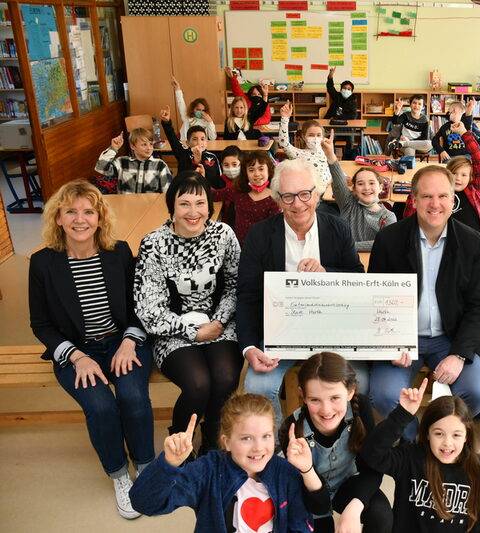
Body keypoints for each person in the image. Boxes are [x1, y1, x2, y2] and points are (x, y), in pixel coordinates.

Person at [29, 181, 155, 520]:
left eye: (88, 211)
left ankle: (145, 465)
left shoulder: (120, 252)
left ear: (100, 218)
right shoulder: (42, 263)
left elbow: (141, 306)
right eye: (70, 211)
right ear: (57, 218)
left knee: (132, 397)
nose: (80, 219)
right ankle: (119, 475)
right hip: (75, 351)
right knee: (100, 406)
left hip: (122, 341)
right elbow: (40, 324)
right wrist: (76, 356)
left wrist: (130, 341)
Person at [236, 158, 365, 427]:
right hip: (280, 334)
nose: (298, 203)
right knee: (257, 385)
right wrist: (249, 348)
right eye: (288, 196)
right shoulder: (259, 235)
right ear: (277, 199)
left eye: (305, 194)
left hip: (332, 332)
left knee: (362, 383)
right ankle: (280, 447)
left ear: (317, 194)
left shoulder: (338, 228)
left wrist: (326, 274)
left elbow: (356, 280)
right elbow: (247, 295)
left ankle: (340, 452)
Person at [368, 166, 480, 441]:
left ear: (453, 199)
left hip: (450, 339)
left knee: (478, 392)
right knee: (384, 395)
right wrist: (390, 344)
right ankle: (417, 443)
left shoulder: (470, 241)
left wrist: (459, 355)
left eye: (443, 196)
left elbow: (478, 304)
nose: (435, 204)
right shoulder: (389, 239)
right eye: (426, 197)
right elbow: (375, 300)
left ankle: (440, 437)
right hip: (402, 340)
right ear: (414, 199)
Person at [134, 172, 242, 455]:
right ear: (172, 206)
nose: (193, 212)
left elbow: (236, 285)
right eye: (184, 204)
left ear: (210, 206)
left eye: (200, 203)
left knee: (226, 376)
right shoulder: (154, 243)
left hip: (221, 322)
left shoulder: (223, 235)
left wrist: (217, 321)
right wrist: (191, 331)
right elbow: (148, 308)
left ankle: (213, 441)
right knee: (198, 384)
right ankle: (180, 447)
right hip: (172, 330)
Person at [130, 393, 328, 532]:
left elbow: (301, 524)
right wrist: (168, 465)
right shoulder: (207, 470)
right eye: (246, 438)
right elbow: (144, 503)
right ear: (227, 442)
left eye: (266, 436)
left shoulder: (285, 473)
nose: (259, 447)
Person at [361, 380, 480, 533]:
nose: (447, 443)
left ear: (467, 436)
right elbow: (372, 454)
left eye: (456, 435)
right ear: (427, 433)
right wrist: (401, 415)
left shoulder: (476, 464)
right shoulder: (410, 457)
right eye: (439, 433)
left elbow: (478, 514)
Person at [279, 352, 393, 533]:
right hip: (311, 495)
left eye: (334, 398)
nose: (326, 410)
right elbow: (318, 506)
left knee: (380, 514)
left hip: (347, 484)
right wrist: (307, 469)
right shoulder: (291, 430)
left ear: (350, 392)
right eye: (315, 400)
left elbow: (373, 467)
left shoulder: (360, 408)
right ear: (303, 395)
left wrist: (353, 510)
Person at [405, 123, 480, 247]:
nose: (458, 178)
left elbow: (479, 161)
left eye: (464, 175)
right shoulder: (438, 193)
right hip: (447, 247)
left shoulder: (474, 190)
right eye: (454, 173)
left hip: (477, 245)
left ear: (471, 178)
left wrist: (464, 134)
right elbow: (412, 216)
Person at [321, 132, 396, 251]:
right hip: (347, 263)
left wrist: (348, 246)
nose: (366, 188)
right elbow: (338, 180)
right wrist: (330, 154)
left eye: (372, 183)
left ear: (381, 187)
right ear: (354, 189)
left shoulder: (388, 217)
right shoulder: (348, 204)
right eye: (360, 184)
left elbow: (386, 243)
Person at [211, 149, 281, 244]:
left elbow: (274, 230)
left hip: (263, 247)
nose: (257, 174)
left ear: (269, 170)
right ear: (245, 173)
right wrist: (201, 178)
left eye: (261, 169)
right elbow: (215, 195)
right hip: (239, 244)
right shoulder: (237, 190)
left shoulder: (275, 198)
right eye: (251, 170)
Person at [160, 106, 223, 189]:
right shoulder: (183, 153)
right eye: (195, 139)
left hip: (208, 193)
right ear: (187, 143)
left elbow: (218, 179)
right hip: (185, 191)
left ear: (207, 142)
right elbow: (173, 139)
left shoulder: (212, 157)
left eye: (202, 139)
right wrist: (167, 123)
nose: (199, 142)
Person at [95, 129, 172, 193]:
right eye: (144, 144)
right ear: (132, 146)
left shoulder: (160, 165)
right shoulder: (122, 162)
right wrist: (114, 148)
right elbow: (100, 167)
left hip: (151, 207)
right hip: (126, 207)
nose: (149, 148)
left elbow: (168, 192)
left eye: (151, 144)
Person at [278, 101, 332, 187]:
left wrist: (343, 177)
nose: (315, 138)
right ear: (304, 137)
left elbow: (333, 169)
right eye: (311, 135)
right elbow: (283, 143)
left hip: (330, 190)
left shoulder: (325, 152)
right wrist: (285, 119)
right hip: (315, 195)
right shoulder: (298, 154)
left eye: (318, 135)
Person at [170, 75, 216, 140]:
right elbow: (180, 103)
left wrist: (210, 122)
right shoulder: (187, 118)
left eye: (203, 110)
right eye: (198, 109)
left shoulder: (207, 122)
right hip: (187, 146)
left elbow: (212, 138)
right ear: (193, 109)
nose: (200, 112)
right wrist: (178, 88)